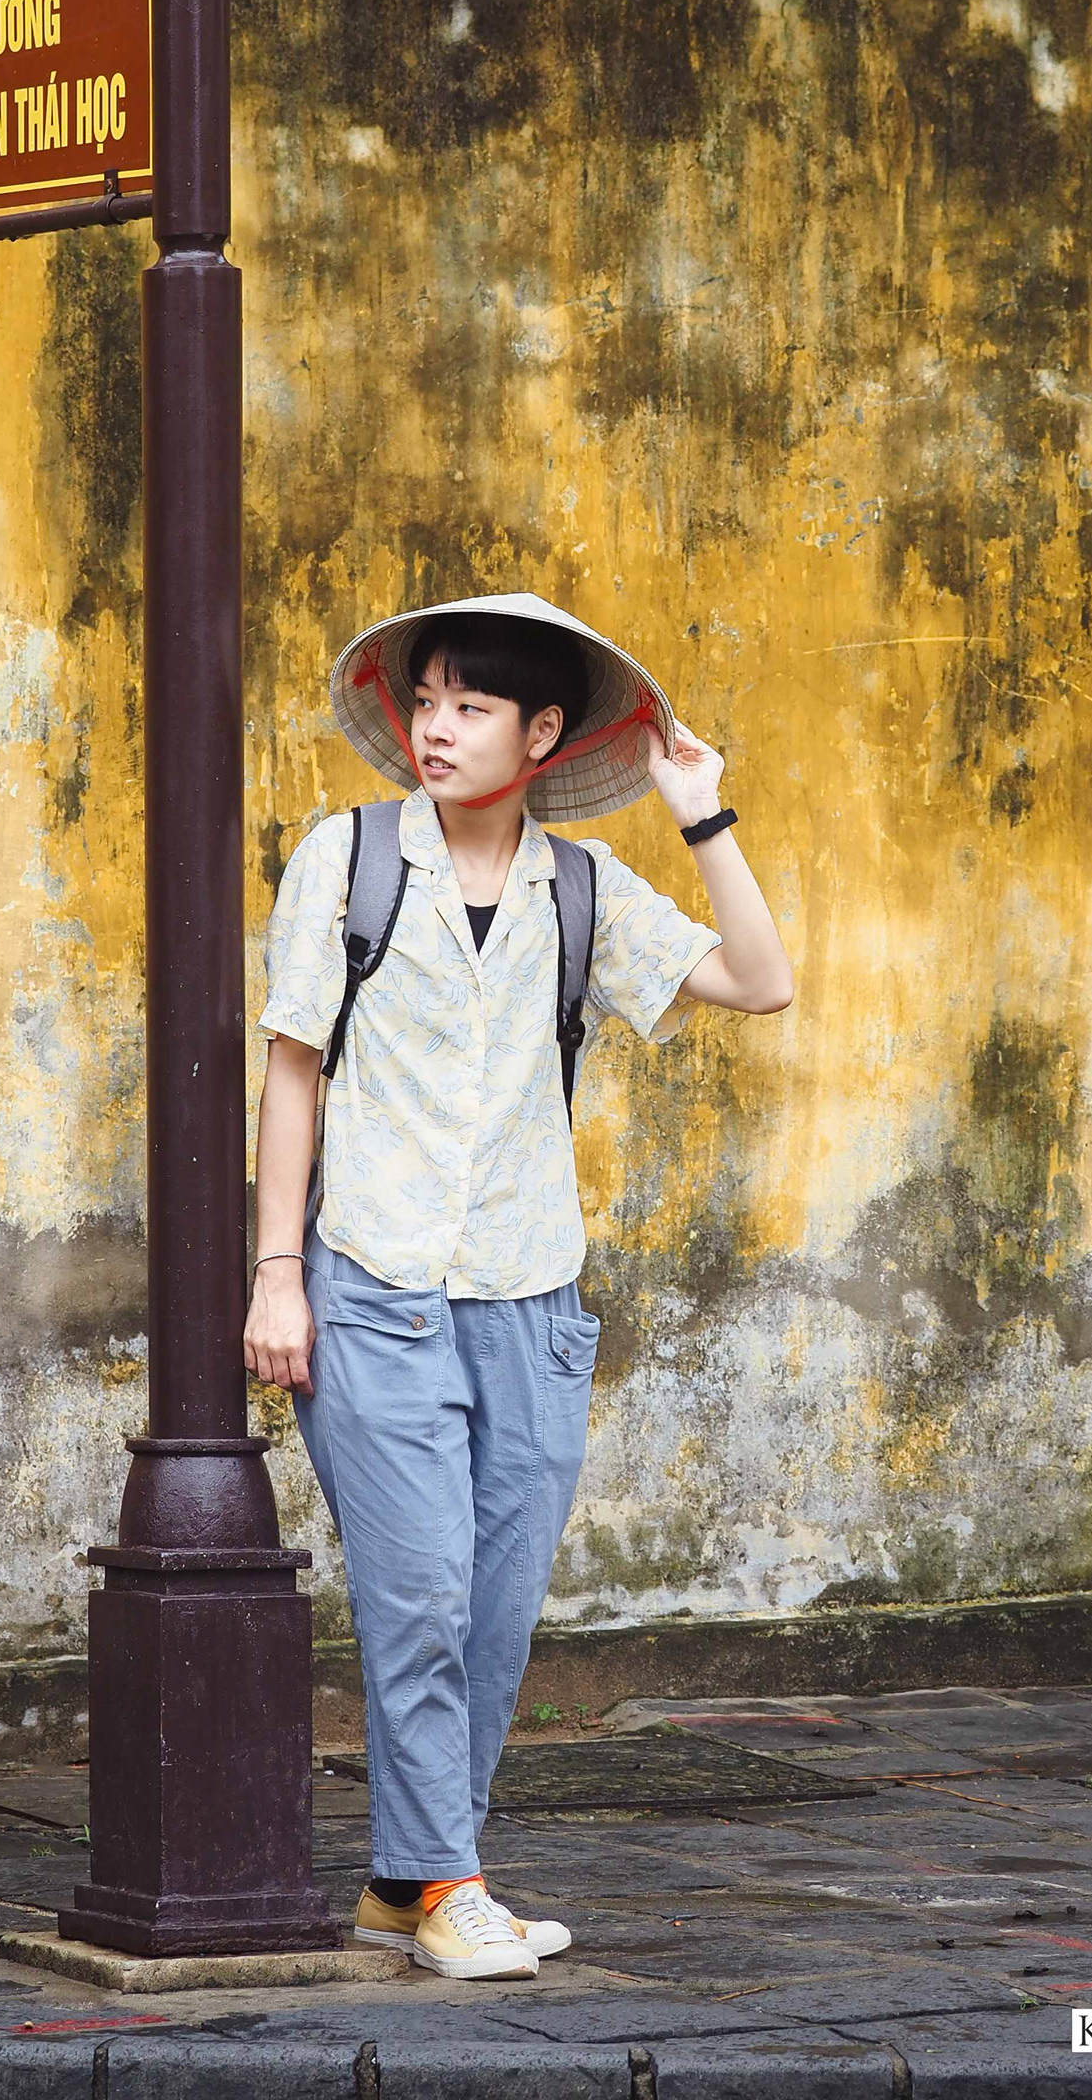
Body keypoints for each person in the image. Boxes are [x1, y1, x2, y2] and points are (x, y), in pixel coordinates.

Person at [244, 591, 793, 1980]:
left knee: (491, 1617)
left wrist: (700, 811)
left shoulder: (585, 890)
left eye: (472, 707)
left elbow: (760, 980)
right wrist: (277, 1278)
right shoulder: (350, 860)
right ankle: (456, 1894)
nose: (436, 728)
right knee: (418, 1597)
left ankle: (405, 1885)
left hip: (532, 1300)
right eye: (425, 701)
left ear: (541, 734)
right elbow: (293, 1072)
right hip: (371, 1290)